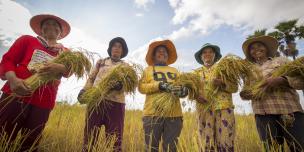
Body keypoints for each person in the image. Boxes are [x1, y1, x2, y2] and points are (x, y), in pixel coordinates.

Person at [0, 14, 71, 151]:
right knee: (3, 135)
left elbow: (70, 70)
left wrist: (61, 67)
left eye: (56, 25)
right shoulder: (27, 40)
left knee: (30, 142)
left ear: (60, 33)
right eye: (47, 24)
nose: (51, 26)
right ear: (41, 29)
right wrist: (13, 80)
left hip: (43, 101)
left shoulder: (66, 52)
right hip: (15, 94)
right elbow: (8, 60)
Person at [240, 35, 304, 152]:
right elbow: (246, 91)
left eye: (259, 45)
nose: (256, 49)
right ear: (250, 53)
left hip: (289, 110)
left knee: (298, 146)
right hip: (263, 114)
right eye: (252, 48)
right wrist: (246, 94)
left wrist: (283, 80)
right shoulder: (249, 71)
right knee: (272, 149)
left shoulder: (281, 61)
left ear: (266, 48)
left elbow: (300, 81)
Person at [78, 37, 129, 152]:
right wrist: (84, 91)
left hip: (116, 104)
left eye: (119, 46)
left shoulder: (126, 67)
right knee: (90, 137)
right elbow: (91, 79)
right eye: (114, 46)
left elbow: (130, 84)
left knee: (114, 140)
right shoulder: (101, 62)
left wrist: (121, 85)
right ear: (110, 49)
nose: (116, 48)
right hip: (95, 101)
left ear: (123, 50)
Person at [139, 40, 188, 152]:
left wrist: (184, 91)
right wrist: (159, 85)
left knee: (171, 149)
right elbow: (141, 87)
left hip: (173, 115)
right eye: (159, 51)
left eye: (164, 51)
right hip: (152, 114)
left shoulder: (175, 71)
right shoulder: (148, 70)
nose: (162, 53)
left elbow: (182, 87)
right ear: (154, 55)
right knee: (151, 148)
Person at [194, 43, 237, 152]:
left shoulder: (224, 69)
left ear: (215, 55)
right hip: (204, 110)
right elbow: (191, 91)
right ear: (201, 56)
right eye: (204, 52)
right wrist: (196, 96)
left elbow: (235, 87)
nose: (207, 54)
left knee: (225, 141)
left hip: (223, 109)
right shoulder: (195, 73)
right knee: (206, 143)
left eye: (210, 52)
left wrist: (223, 83)